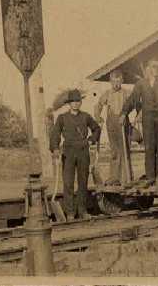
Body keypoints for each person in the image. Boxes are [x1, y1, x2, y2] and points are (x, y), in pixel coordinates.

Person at [120, 59, 158, 184]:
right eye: (153, 67)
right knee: (149, 147)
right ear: (148, 69)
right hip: (148, 118)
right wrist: (124, 113)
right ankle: (151, 177)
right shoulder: (141, 83)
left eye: (157, 67)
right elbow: (133, 99)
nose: (155, 69)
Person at [49, 89, 101, 220]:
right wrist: (55, 148)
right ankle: (70, 213)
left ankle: (82, 211)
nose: (76, 104)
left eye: (78, 101)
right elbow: (55, 134)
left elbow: (96, 128)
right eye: (73, 101)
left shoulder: (86, 116)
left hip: (83, 151)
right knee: (68, 183)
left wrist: (91, 139)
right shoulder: (62, 118)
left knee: (83, 183)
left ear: (81, 102)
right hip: (68, 152)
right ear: (69, 103)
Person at [94, 69, 132, 185]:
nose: (116, 84)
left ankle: (126, 179)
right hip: (111, 124)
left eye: (118, 81)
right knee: (115, 152)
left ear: (122, 81)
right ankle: (115, 178)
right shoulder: (107, 93)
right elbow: (98, 106)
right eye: (114, 81)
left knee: (124, 150)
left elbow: (134, 104)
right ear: (110, 82)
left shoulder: (127, 93)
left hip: (123, 122)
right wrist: (97, 117)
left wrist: (130, 115)